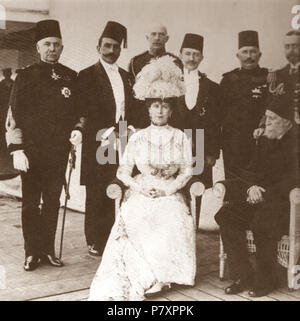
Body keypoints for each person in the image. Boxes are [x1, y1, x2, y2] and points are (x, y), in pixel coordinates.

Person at [88, 56, 196, 301]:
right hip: (143, 189)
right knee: (137, 215)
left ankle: (162, 276)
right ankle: (142, 274)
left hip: (169, 191)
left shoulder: (180, 136)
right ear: (148, 109)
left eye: (164, 106)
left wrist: (168, 190)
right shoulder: (137, 137)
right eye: (155, 106)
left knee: (171, 215)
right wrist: (140, 188)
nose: (159, 111)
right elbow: (123, 171)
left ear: (170, 110)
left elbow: (187, 172)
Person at [5, 20, 80, 271]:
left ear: (62, 48)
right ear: (38, 48)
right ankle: (31, 252)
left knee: (51, 202)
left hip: (58, 153)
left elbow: (80, 112)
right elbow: (13, 116)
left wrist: (78, 130)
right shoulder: (25, 76)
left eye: (56, 45)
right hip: (32, 153)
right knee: (30, 203)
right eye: (47, 44)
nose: (52, 48)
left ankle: (47, 250)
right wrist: (17, 149)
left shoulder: (71, 76)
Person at [214, 93, 298, 297]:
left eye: (272, 119)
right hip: (258, 198)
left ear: (286, 122)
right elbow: (250, 169)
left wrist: (264, 193)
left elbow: (294, 178)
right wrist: (251, 187)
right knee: (226, 214)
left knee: (262, 222)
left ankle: (267, 279)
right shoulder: (265, 140)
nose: (266, 122)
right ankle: (244, 275)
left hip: (287, 204)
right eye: (266, 117)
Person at [75, 21, 134, 257]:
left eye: (116, 47)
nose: (111, 51)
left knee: (118, 184)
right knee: (98, 189)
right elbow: (82, 110)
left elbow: (133, 108)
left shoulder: (127, 76)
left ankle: (114, 236)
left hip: (124, 138)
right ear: (98, 46)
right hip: (100, 138)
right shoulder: (86, 75)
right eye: (107, 46)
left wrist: (130, 130)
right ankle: (95, 240)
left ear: (120, 49)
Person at [174, 33, 221, 188]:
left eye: (196, 54)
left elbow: (215, 122)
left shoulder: (212, 87)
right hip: (174, 147)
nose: (191, 58)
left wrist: (212, 153)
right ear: (180, 55)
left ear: (202, 57)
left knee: (199, 190)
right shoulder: (169, 82)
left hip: (201, 147)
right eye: (187, 54)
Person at [220, 30, 268, 180]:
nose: (249, 56)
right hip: (233, 143)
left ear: (259, 55)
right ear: (238, 55)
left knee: (261, 182)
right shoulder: (228, 80)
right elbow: (219, 112)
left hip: (260, 141)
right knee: (235, 185)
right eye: (245, 52)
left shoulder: (269, 77)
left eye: (253, 52)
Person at [128, 22, 181, 129]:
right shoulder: (136, 62)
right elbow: (133, 95)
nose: (157, 38)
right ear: (147, 37)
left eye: (161, 34)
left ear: (167, 38)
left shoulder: (176, 61)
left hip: (170, 120)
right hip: (142, 120)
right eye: (153, 34)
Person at [0, 68, 14, 150]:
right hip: (2, 108)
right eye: (6, 73)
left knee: (11, 125)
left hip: (12, 107)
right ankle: (3, 145)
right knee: (2, 125)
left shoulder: (14, 83)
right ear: (4, 75)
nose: (7, 75)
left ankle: (11, 144)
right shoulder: (1, 84)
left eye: (8, 73)